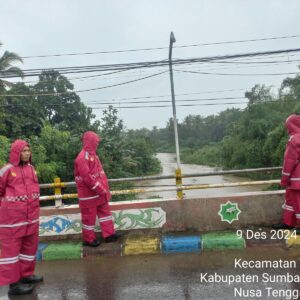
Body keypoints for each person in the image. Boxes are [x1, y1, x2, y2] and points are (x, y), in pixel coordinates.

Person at [0, 140, 43, 296]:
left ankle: (26, 275)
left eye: (28, 151)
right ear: (16, 152)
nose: (27, 153)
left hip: (30, 217)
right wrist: (6, 207)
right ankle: (14, 284)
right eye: (24, 151)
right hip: (12, 219)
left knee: (29, 248)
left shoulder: (32, 169)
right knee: (11, 251)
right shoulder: (6, 170)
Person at [74, 131, 120, 247]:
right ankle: (89, 240)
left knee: (105, 214)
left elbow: (100, 174)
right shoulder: (82, 157)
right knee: (89, 218)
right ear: (90, 141)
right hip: (89, 195)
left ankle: (109, 235)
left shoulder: (94, 155)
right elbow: (87, 178)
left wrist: (105, 190)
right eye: (96, 142)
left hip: (100, 194)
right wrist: (100, 189)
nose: (97, 144)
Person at [272, 114, 300, 234]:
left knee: (297, 202)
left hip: (296, 179)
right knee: (290, 200)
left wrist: (284, 179)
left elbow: (289, 161)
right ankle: (288, 222)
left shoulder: (294, 139)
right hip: (295, 180)